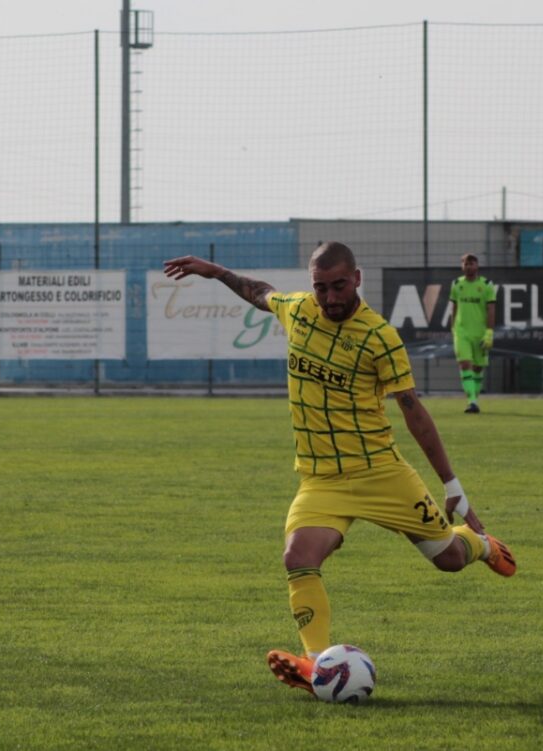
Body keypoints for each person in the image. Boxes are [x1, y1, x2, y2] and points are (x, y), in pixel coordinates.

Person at [162, 242, 516, 697]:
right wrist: (214, 271)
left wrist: (453, 485)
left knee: (447, 559)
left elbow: (413, 411)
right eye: (321, 287)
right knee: (298, 557)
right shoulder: (300, 310)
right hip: (321, 479)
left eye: (339, 286)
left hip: (381, 473)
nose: (330, 298)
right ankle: (315, 666)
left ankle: (481, 546)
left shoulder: (379, 336)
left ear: (358, 278)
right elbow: (258, 291)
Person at [449, 253, 498, 414]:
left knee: (477, 368)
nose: (468, 266)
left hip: (480, 333)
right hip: (462, 332)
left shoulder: (486, 285)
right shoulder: (456, 284)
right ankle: (471, 402)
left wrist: (489, 332)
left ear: (477, 266)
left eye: (471, 263)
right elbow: (454, 307)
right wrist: (453, 328)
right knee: (465, 364)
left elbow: (491, 310)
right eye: (465, 264)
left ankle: (474, 399)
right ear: (462, 266)